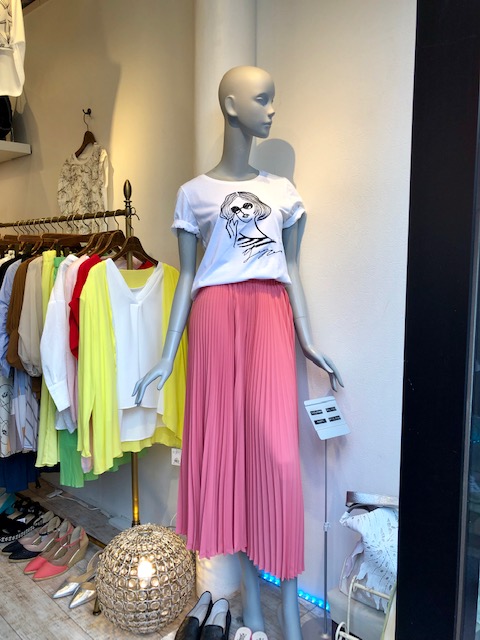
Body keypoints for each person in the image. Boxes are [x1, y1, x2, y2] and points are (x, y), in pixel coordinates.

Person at [133, 65, 343, 640]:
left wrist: (308, 339)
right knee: (230, 458)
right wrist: (166, 355)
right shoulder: (193, 194)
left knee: (276, 460)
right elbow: (188, 276)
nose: (271, 109)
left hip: (271, 317)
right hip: (214, 321)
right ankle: (251, 607)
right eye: (262, 98)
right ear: (230, 104)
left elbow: (291, 269)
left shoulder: (283, 193)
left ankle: (286, 614)